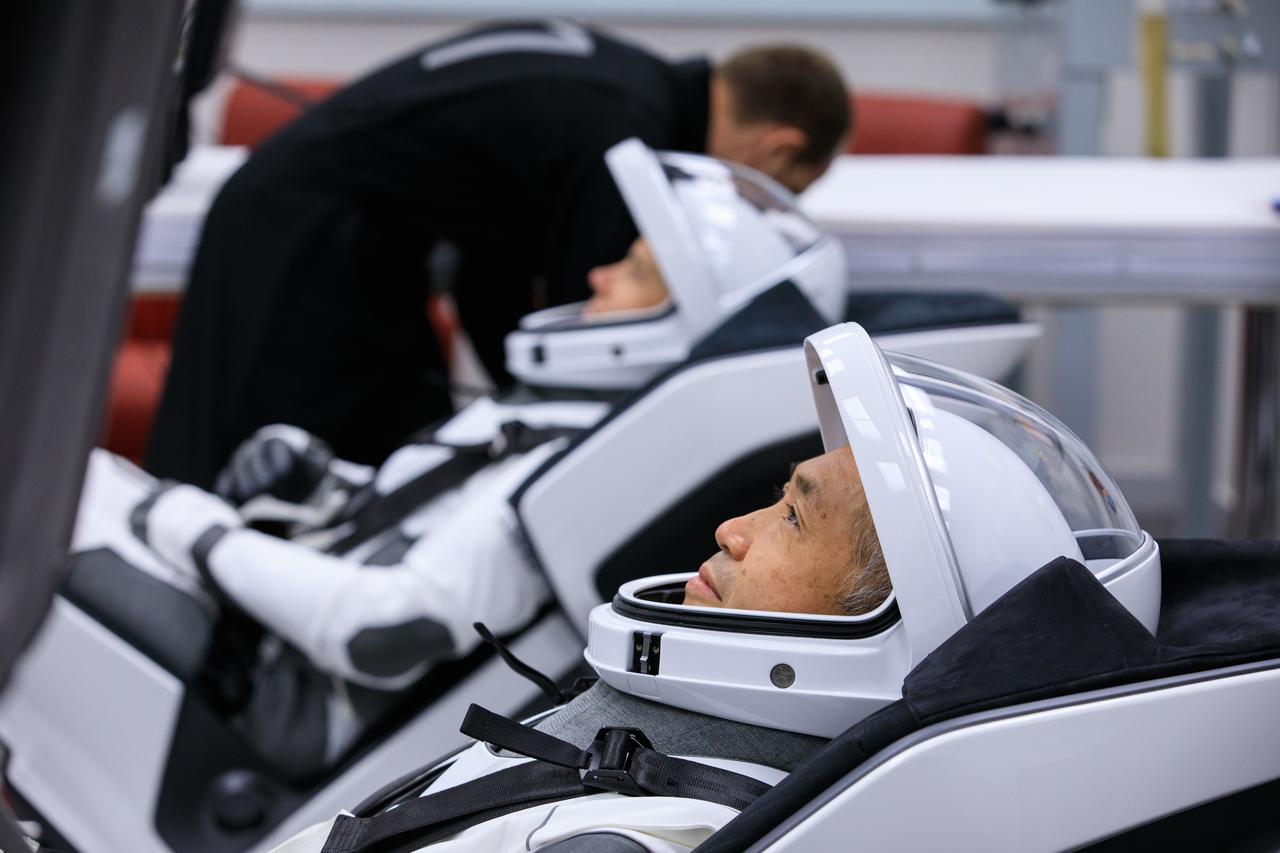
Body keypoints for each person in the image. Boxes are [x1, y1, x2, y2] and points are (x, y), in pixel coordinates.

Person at [274, 320, 1161, 853]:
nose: (731, 529)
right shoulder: (668, 751)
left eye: (793, 517)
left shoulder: (642, 829)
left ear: (881, 622)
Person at [146, 20, 852, 489]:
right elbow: (597, 327)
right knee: (280, 459)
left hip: (324, 222)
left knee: (388, 436)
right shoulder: (622, 134)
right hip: (309, 238)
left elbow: (496, 268)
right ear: (778, 146)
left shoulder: (623, 82)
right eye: (780, 183)